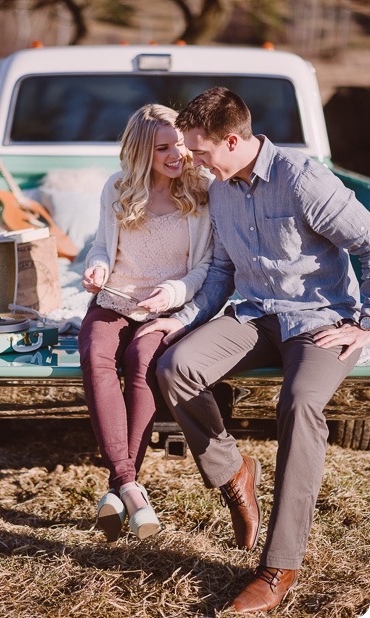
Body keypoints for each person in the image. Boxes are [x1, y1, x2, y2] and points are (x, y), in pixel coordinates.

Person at [137, 87, 370, 612]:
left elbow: (369, 243)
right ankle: (233, 471)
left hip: (322, 320)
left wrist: (366, 326)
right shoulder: (220, 188)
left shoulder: (301, 178)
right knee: (176, 366)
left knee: (300, 403)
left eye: (198, 151)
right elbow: (221, 273)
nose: (190, 161)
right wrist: (181, 319)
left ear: (234, 140)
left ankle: (279, 565)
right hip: (256, 314)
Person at [78, 103, 213, 544]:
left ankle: (120, 488)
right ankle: (130, 484)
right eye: (163, 148)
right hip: (115, 298)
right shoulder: (117, 187)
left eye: (180, 144)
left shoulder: (203, 190)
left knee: (141, 362)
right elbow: (101, 245)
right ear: (141, 152)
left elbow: (207, 268)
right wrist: (96, 268)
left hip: (166, 308)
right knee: (95, 354)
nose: (177, 155)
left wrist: (172, 296)